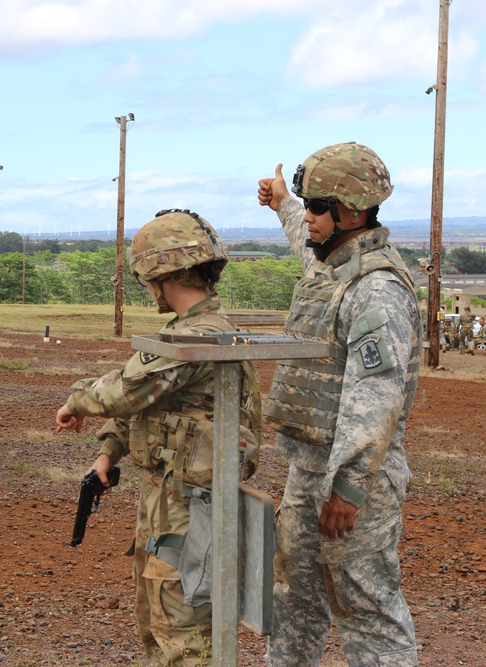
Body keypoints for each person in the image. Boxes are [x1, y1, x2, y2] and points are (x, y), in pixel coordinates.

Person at [55, 209, 262, 666]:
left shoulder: (201, 337)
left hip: (191, 511)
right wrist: (108, 453)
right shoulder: (182, 334)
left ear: (160, 273)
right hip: (165, 501)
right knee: (155, 627)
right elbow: (151, 407)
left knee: (182, 637)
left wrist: (75, 400)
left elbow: (125, 393)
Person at [257, 142, 420, 666]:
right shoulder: (336, 263)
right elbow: (307, 246)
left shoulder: (376, 289)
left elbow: (376, 398)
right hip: (309, 470)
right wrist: (282, 203)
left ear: (351, 212)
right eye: (305, 206)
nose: (307, 218)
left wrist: (347, 488)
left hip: (356, 482)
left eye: (315, 208)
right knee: (294, 600)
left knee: (366, 608)